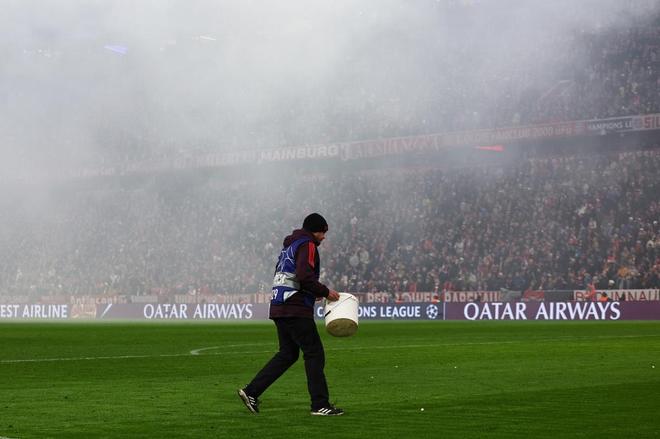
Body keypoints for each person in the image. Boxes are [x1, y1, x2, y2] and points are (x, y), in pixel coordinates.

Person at [238, 213, 344, 416]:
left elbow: (289, 276)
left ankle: (251, 392)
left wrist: (312, 292)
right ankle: (320, 405)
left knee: (288, 353)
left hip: (279, 305)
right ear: (315, 230)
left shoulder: (289, 246)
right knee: (314, 353)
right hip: (295, 308)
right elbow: (304, 276)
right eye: (323, 232)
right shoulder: (308, 244)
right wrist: (324, 291)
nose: (324, 237)